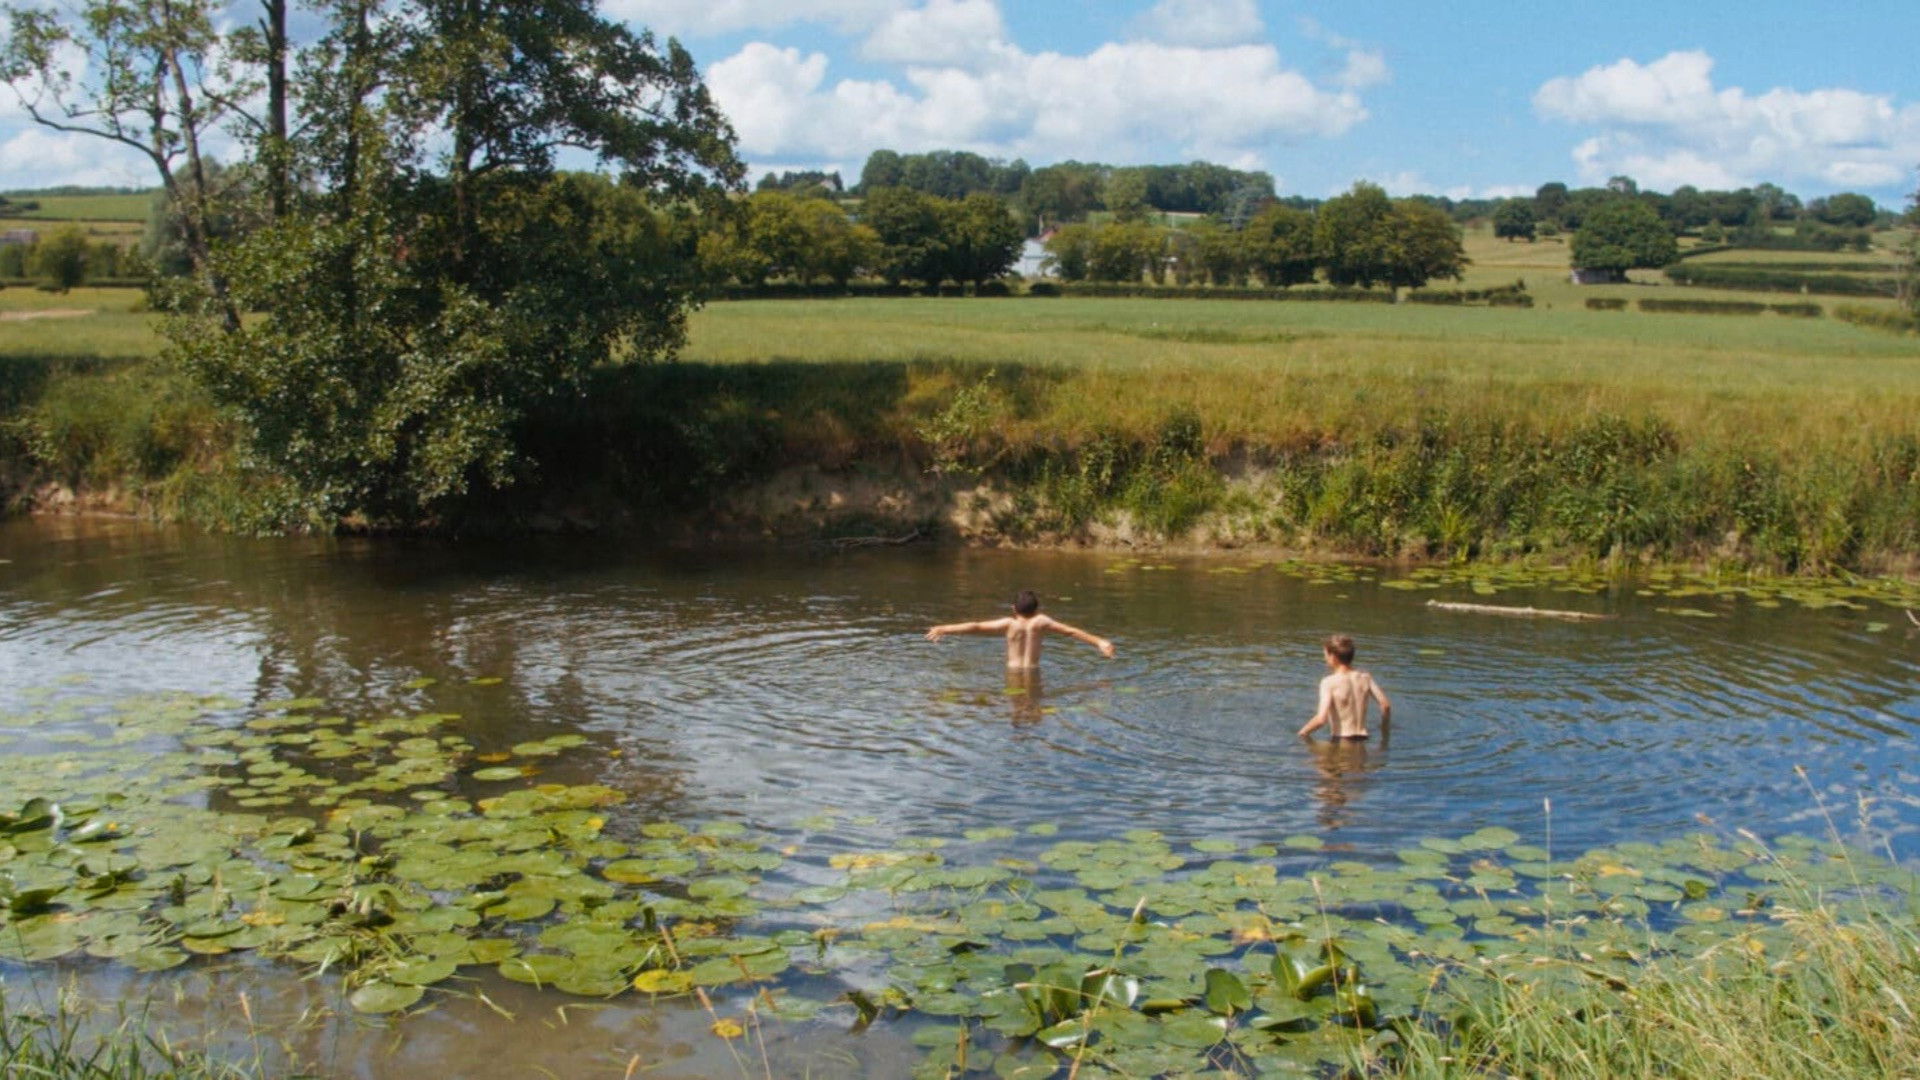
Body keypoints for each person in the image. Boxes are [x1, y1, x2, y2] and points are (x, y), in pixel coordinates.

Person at [925, 590, 1115, 669]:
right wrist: (1099, 642)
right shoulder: (1041, 622)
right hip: (1033, 672)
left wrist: (945, 628)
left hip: (1013, 673)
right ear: (1037, 609)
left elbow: (976, 626)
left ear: (1013, 609)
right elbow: (1071, 631)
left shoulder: (1009, 624)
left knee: (1015, 705)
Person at [1297, 634, 1391, 741]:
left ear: (1333, 657)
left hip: (1342, 740)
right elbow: (1385, 705)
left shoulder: (1329, 682)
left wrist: (1302, 733)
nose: (1324, 658)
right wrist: (1384, 732)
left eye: (1325, 655)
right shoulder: (1366, 677)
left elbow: (1321, 719)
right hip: (1363, 739)